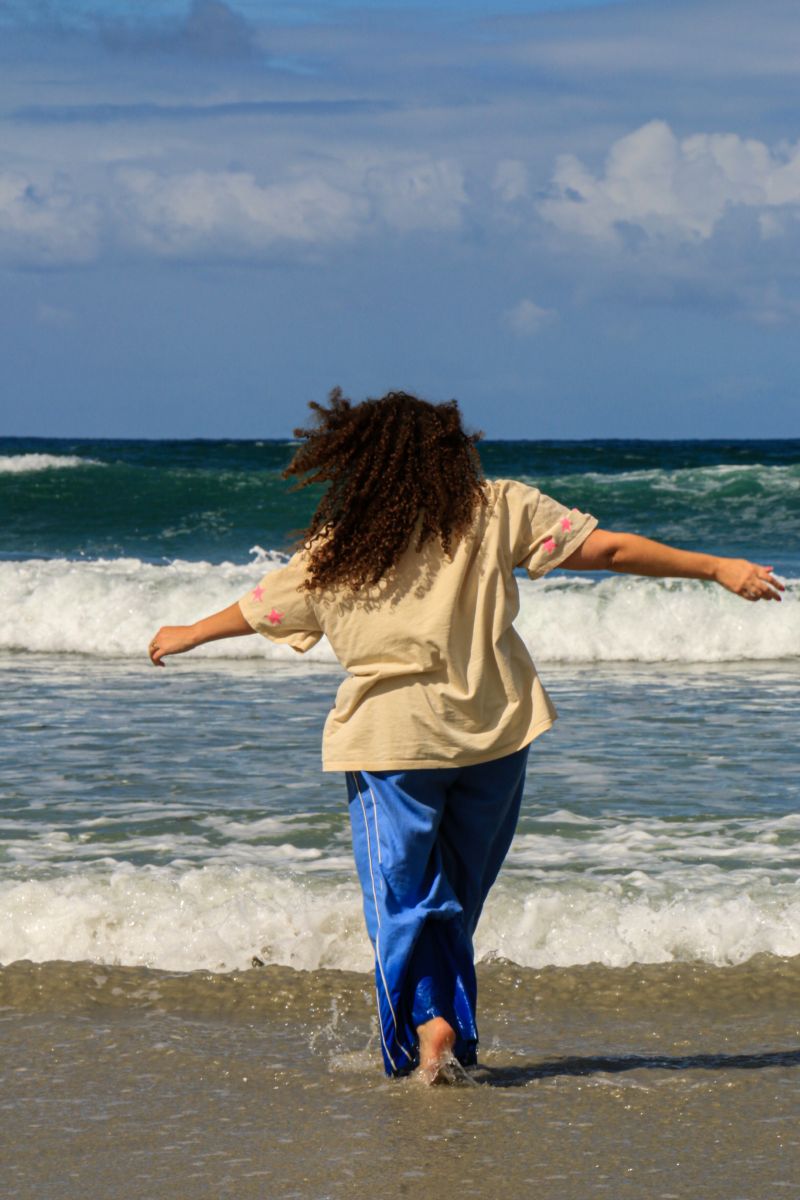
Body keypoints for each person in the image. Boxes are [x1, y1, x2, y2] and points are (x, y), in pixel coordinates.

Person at [147, 389, 783, 1083]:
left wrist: (187, 633)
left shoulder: (343, 545)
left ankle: (429, 1031)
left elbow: (261, 608)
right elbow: (610, 549)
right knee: (456, 896)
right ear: (454, 451)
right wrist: (716, 566)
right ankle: (446, 1030)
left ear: (358, 460)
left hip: (393, 744)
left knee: (405, 901)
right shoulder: (499, 506)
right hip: (495, 736)